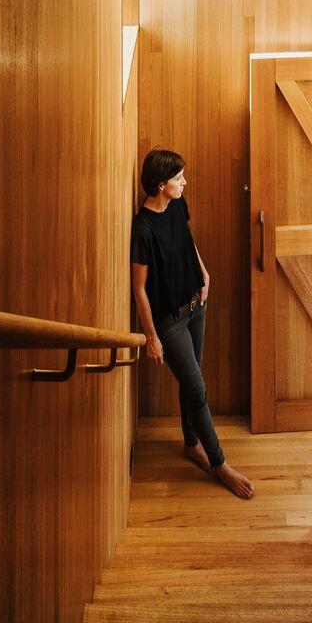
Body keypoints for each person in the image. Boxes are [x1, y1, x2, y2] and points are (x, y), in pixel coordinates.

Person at [130, 148, 254, 500]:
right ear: (159, 185)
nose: (185, 182)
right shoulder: (142, 229)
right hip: (169, 322)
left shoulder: (176, 206)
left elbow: (187, 240)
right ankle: (220, 464)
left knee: (192, 378)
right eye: (178, 178)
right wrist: (152, 337)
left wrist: (204, 273)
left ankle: (190, 443)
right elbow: (139, 290)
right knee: (197, 389)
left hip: (197, 305)